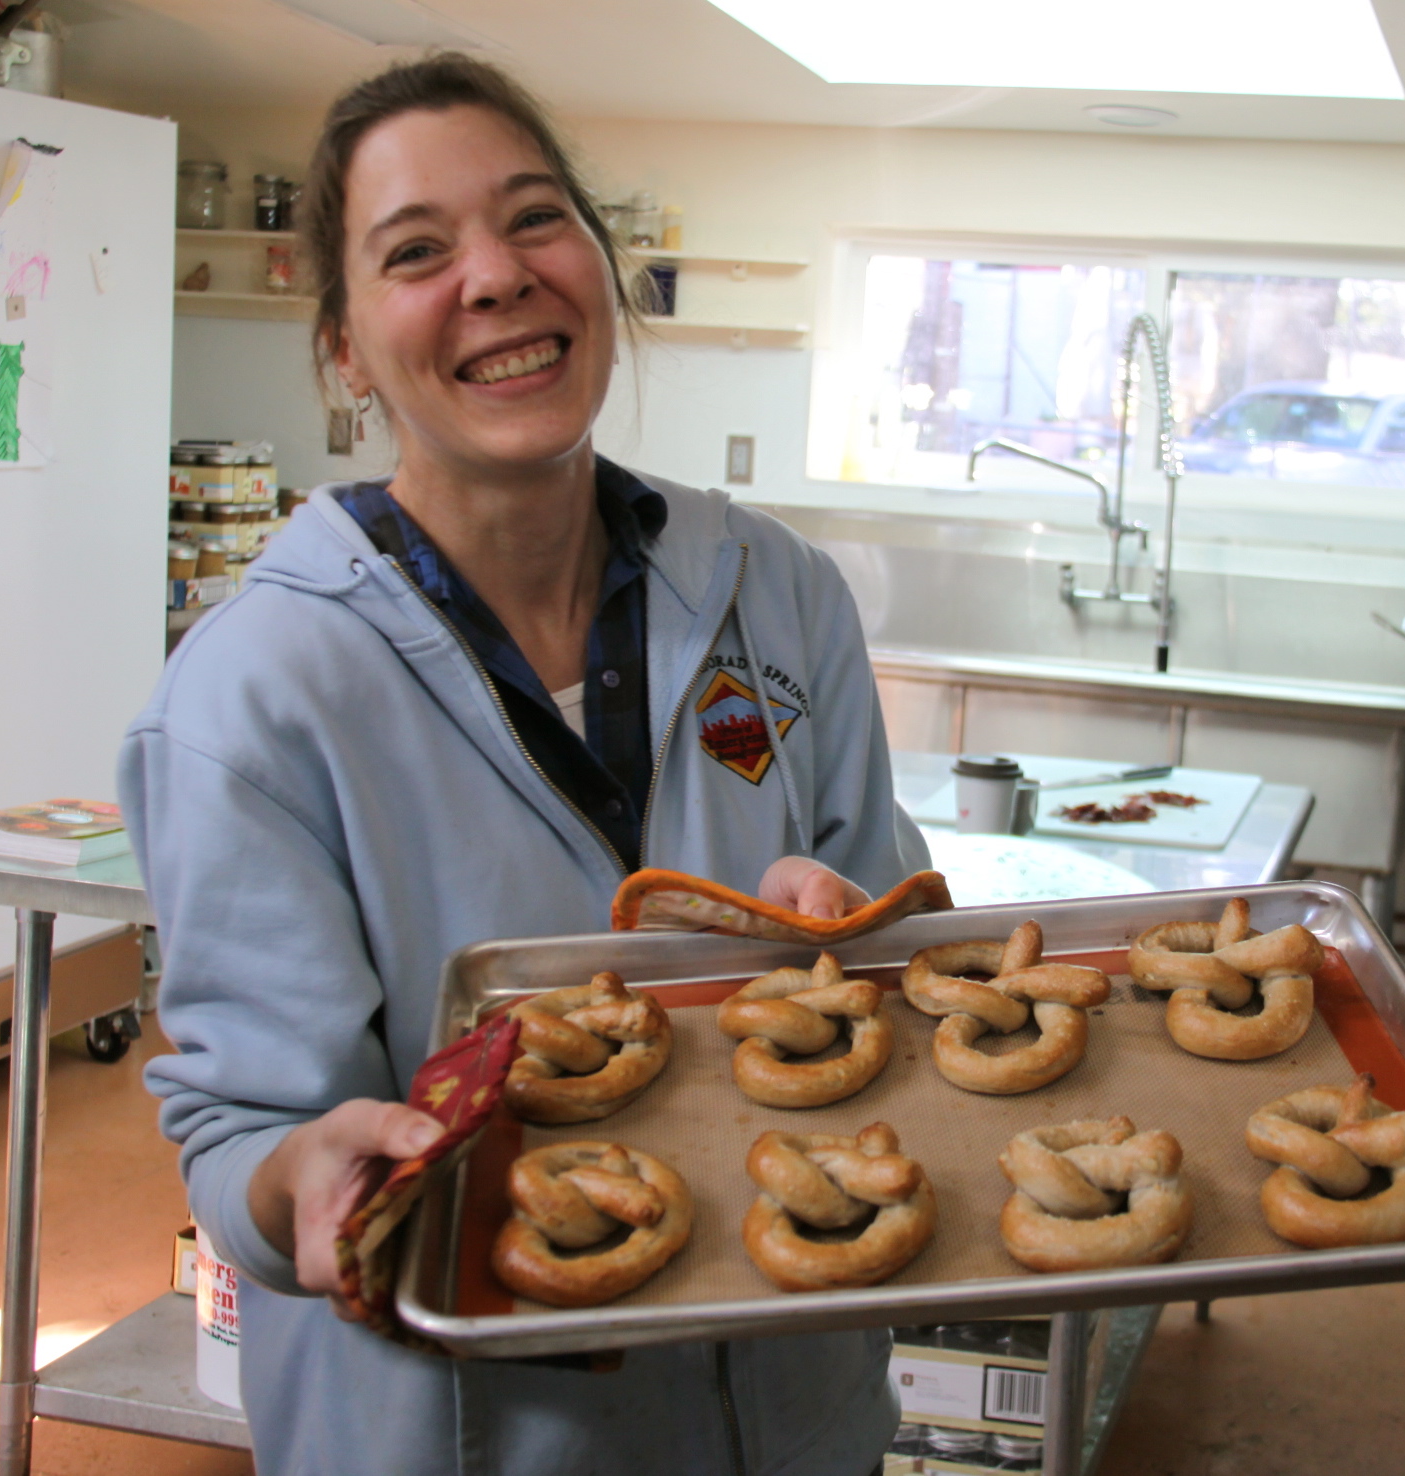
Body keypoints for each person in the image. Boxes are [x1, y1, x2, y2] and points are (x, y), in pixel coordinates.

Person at [122, 51, 929, 1476]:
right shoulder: (259, 692)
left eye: (535, 218)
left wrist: (852, 937)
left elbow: (905, 960)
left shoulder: (777, 594)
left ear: (601, 267)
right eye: (416, 251)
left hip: (797, 1412)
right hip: (471, 1435)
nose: (495, 276)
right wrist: (293, 1182)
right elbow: (248, 1126)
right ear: (345, 348)